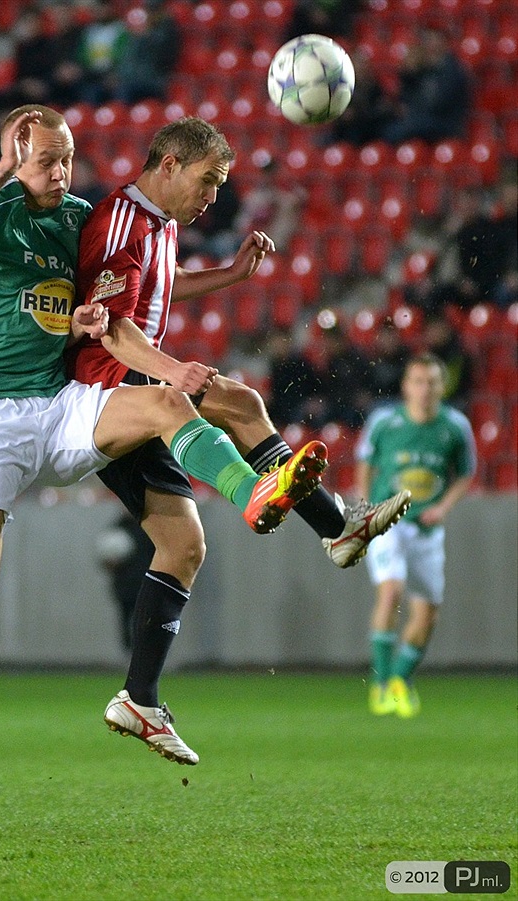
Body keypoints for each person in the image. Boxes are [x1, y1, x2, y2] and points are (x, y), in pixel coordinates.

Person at [0, 105, 329, 792]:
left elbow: (113, 294)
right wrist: (1, 168)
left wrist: (90, 317)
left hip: (60, 400)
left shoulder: (79, 217)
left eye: (66, 158)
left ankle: (255, 492)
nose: (59, 172)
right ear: (15, 158)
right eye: (43, 160)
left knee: (165, 399)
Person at [66, 117, 412, 758]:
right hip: (109, 393)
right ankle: (275, 502)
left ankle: (139, 699)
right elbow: (109, 327)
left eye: (219, 185)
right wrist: (173, 369)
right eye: (207, 181)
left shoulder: (160, 226)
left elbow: (159, 292)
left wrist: (230, 275)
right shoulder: (121, 219)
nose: (213, 197)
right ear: (167, 163)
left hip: (143, 386)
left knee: (185, 542)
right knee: (224, 403)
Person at [356, 353, 476, 718]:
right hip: (388, 522)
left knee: (427, 614)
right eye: (418, 382)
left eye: (432, 382)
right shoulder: (384, 422)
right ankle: (379, 685)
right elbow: (365, 464)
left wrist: (445, 508)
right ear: (406, 386)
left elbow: (466, 473)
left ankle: (398, 680)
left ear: (442, 386)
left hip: (427, 529)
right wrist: (365, 510)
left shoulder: (455, 426)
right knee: (391, 590)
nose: (425, 390)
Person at [381, 28, 471, 145]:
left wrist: (412, 111)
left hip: (445, 122)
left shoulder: (453, 71)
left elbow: (439, 103)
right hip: (421, 119)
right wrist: (408, 74)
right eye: (426, 40)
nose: (427, 44)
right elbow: (405, 97)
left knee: (396, 132)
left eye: (432, 40)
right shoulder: (422, 69)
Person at [95, 510, 155, 652]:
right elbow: (105, 556)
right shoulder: (117, 528)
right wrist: (109, 563)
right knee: (126, 621)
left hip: (146, 583)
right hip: (125, 586)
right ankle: (130, 654)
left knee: (147, 621)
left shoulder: (149, 528)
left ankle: (150, 654)